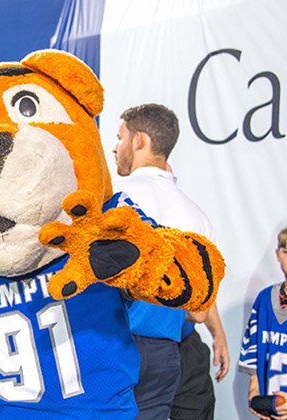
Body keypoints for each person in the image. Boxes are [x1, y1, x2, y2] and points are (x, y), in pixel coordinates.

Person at [112, 103, 229, 419]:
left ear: (140, 142)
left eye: (120, 137)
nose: (114, 147)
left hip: (115, 345)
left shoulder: (112, 197)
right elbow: (199, 310)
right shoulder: (198, 217)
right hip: (166, 352)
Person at [239, 226, 287, 419]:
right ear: (278, 254)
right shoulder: (265, 299)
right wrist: (254, 385)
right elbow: (252, 344)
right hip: (271, 404)